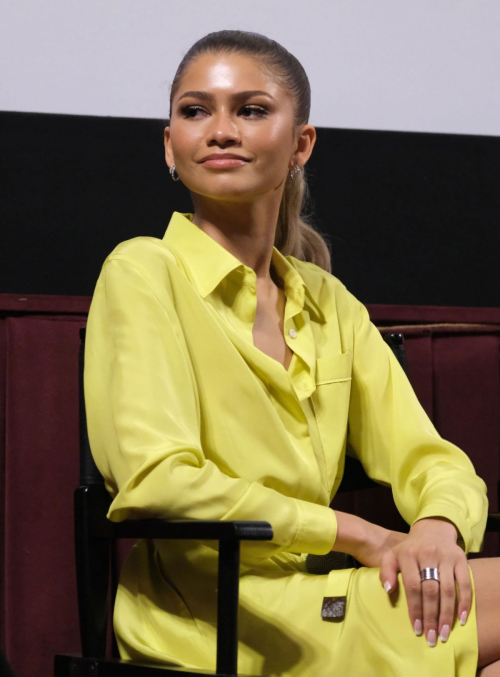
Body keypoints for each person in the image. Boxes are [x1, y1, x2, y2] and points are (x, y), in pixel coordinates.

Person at [84, 30, 500, 676]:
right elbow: (159, 480)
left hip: (320, 606)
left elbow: (433, 459)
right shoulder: (142, 272)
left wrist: (437, 530)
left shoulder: (329, 303)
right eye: (195, 111)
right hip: (213, 625)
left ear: (301, 143)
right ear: (170, 145)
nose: (220, 130)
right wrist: (359, 534)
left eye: (250, 109)